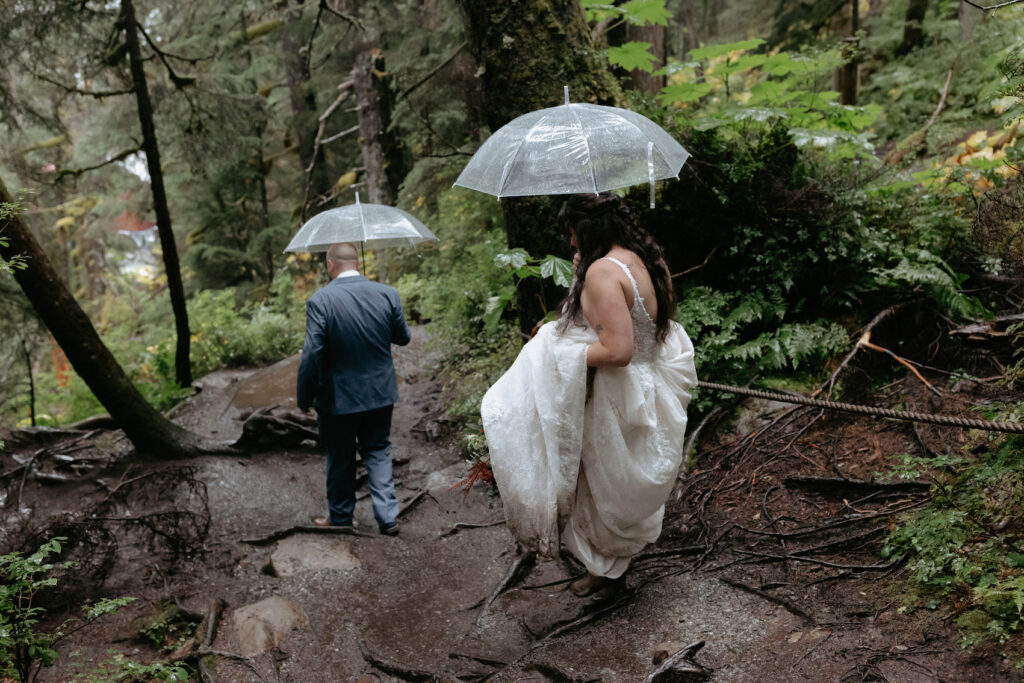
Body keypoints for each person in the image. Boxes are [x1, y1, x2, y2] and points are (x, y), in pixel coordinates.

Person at [481, 192, 697, 596]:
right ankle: (607, 569)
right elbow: (647, 331)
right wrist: (584, 277)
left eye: (573, 233)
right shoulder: (646, 259)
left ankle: (606, 571)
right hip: (649, 385)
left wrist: (556, 348)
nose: (570, 244)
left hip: (617, 395)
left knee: (597, 481)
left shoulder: (603, 272)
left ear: (587, 229)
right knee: (611, 477)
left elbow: (618, 350)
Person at [297, 242, 412, 535]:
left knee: (340, 455)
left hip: (338, 398)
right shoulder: (388, 294)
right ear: (358, 263)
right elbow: (403, 338)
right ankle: (388, 517)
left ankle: (340, 517)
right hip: (380, 392)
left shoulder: (320, 300)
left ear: (330, 265)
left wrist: (304, 396)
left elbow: (312, 354)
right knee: (378, 450)